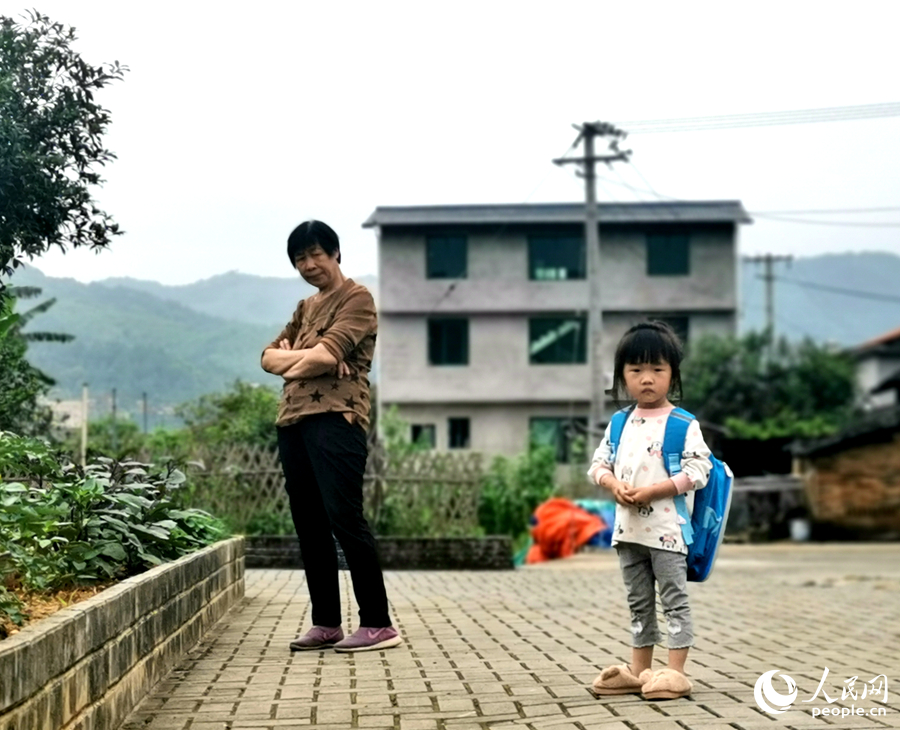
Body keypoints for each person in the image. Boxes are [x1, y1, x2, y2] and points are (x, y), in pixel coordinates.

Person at [261, 219, 401, 653]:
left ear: (336, 253)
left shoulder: (357, 298)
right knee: (309, 525)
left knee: (345, 518)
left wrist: (302, 361)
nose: (309, 264)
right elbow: (266, 357)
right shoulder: (305, 308)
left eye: (316, 254)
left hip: (338, 418)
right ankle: (326, 623)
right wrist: (311, 359)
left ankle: (377, 623)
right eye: (300, 258)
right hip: (293, 420)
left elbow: (324, 355)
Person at [587, 321, 711, 700]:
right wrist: (614, 485)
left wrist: (655, 491)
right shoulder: (619, 422)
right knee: (639, 602)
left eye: (657, 369)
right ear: (621, 375)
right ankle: (640, 671)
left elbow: (699, 470)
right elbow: (598, 465)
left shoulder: (683, 424)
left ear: (672, 374)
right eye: (636, 369)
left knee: (673, 600)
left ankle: (675, 672)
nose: (646, 379)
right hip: (628, 534)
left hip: (668, 533)